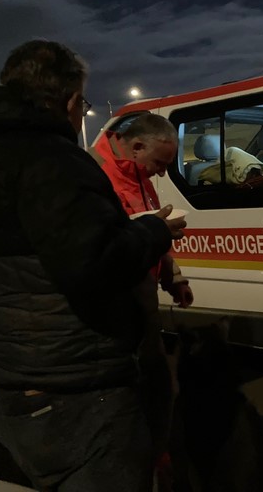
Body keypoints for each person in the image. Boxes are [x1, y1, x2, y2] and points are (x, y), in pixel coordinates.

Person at [0, 40, 186, 492]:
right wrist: (154, 231)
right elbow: (95, 263)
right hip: (79, 388)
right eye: (84, 104)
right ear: (72, 102)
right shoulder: (51, 160)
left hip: (17, 378)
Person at [94, 113, 192, 485]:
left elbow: (153, 231)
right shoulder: (96, 177)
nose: (161, 173)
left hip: (143, 297)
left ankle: (157, 459)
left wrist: (173, 278)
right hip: (118, 306)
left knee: (157, 386)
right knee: (135, 394)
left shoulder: (139, 176)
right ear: (136, 147)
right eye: (160, 163)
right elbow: (103, 248)